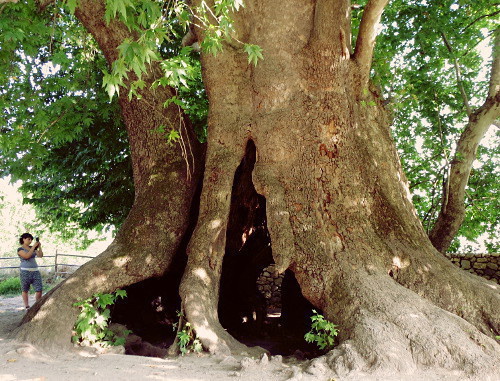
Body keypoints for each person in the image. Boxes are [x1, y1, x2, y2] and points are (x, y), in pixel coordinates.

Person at [17, 233, 44, 310]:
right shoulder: (20, 249)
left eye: (31, 239)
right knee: (25, 289)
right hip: (25, 271)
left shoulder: (33, 247)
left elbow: (40, 255)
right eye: (28, 239)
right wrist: (33, 248)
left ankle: (37, 305)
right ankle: (27, 306)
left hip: (35, 271)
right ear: (23, 239)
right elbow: (26, 256)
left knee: (39, 289)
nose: (30, 241)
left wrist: (39, 247)